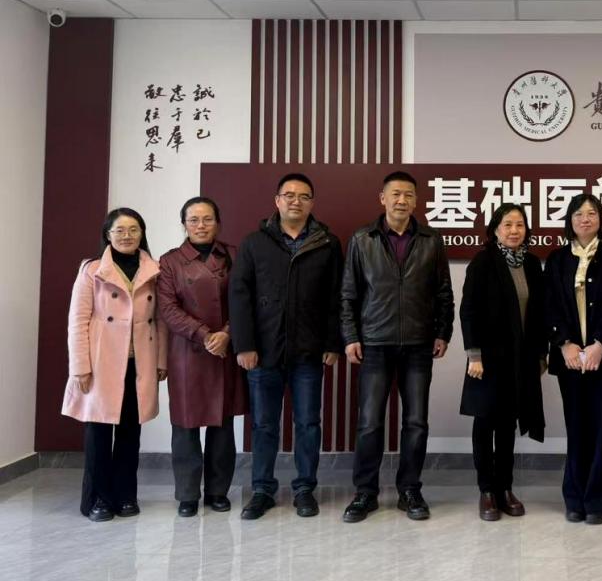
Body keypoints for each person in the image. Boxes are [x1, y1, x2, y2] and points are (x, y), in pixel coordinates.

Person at [228, 173, 343, 520]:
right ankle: (262, 490)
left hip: (309, 350)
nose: (296, 201)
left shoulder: (327, 243)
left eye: (303, 196)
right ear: (277, 200)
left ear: (312, 203)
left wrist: (333, 342)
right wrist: (244, 345)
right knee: (264, 424)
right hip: (263, 351)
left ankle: (304, 488)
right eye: (289, 195)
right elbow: (239, 295)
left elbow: (336, 297)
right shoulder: (254, 243)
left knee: (308, 423)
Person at [342, 171, 455, 522]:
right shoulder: (362, 239)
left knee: (416, 422)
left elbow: (444, 293)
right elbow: (348, 294)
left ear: (416, 201)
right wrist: (350, 336)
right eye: (395, 194)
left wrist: (443, 332)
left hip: (419, 344)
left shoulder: (431, 240)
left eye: (408, 195)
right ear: (383, 198)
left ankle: (410, 490)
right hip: (374, 343)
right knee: (369, 423)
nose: (401, 200)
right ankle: (365, 492)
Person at [62, 208, 166, 522]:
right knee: (97, 434)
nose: (126, 235)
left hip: (139, 362)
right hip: (101, 363)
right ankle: (98, 499)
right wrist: (80, 366)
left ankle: (125, 496)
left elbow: (161, 321)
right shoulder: (92, 270)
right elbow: (77, 320)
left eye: (133, 229)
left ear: (142, 233)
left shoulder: (154, 270)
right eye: (119, 230)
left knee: (130, 433)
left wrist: (161, 361)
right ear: (107, 235)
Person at [158, 196, 247, 517]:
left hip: (225, 349)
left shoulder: (234, 255)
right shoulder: (169, 261)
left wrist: (227, 333)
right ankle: (187, 494)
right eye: (193, 219)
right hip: (188, 352)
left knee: (222, 425)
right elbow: (168, 308)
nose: (201, 225)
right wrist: (205, 335)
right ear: (184, 224)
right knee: (185, 426)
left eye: (207, 219)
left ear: (218, 223)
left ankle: (217, 491)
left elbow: (245, 299)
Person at [545, 194, 602, 525]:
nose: (585, 219)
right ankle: (574, 499)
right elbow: (549, 305)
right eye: (578, 214)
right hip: (569, 358)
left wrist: (599, 344)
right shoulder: (556, 260)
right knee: (576, 427)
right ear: (569, 220)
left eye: (592, 213)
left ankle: (598, 501)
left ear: (600, 220)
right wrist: (564, 344)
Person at [460, 203, 546, 521]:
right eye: (507, 224)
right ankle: (486, 490)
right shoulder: (483, 262)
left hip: (520, 359)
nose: (514, 230)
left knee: (509, 424)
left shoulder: (532, 264)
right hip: (486, 359)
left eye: (519, 224)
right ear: (495, 229)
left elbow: (539, 313)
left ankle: (504, 487)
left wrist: (541, 354)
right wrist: (474, 355)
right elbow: (468, 310)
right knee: (485, 423)